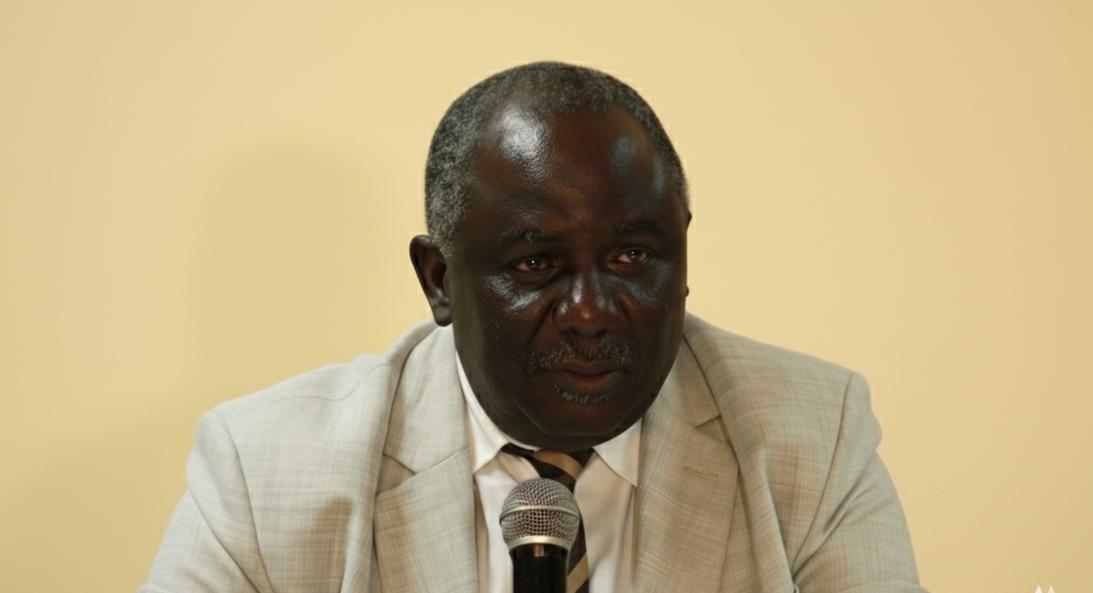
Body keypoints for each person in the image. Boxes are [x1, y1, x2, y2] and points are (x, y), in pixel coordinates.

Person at [140, 62, 926, 593]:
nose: (590, 312)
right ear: (439, 280)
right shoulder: (266, 469)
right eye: (535, 264)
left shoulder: (809, 441)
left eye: (631, 255)